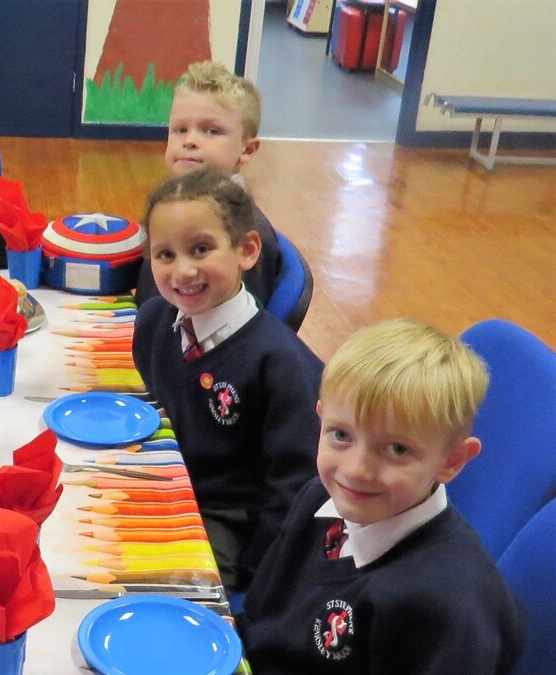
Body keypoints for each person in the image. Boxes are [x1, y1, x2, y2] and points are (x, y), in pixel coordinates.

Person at [240, 319, 526, 673]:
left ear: (450, 461)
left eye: (396, 449)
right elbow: (259, 615)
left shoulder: (448, 609)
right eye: (341, 435)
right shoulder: (320, 497)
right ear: (321, 420)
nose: (357, 469)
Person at [132, 168, 321, 593]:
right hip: (172, 485)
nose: (182, 271)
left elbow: (293, 489)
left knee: (168, 596)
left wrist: (258, 581)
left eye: (201, 249)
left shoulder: (281, 365)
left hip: (229, 519)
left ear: (247, 250)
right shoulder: (152, 323)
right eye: (165, 255)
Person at [134, 61, 282, 309]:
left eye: (211, 131)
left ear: (247, 149)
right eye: (180, 129)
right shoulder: (169, 206)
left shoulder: (245, 229)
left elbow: (237, 329)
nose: (190, 140)